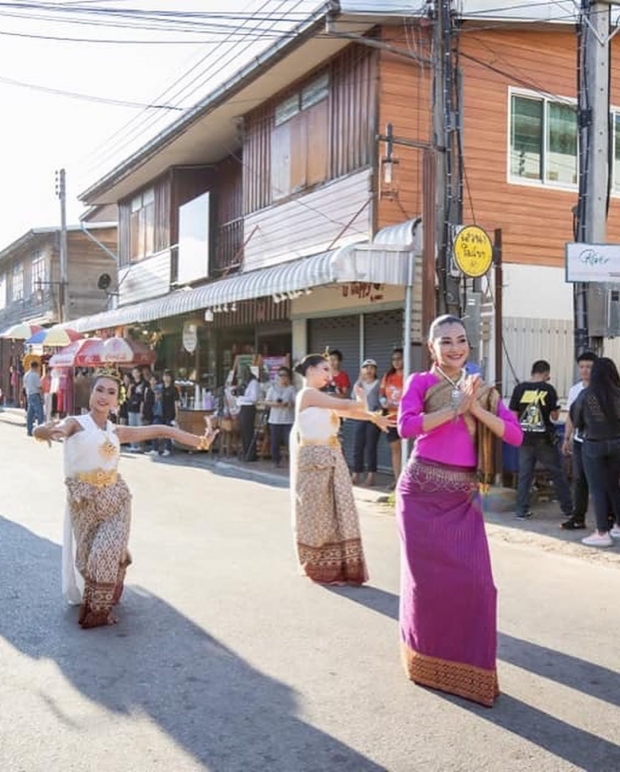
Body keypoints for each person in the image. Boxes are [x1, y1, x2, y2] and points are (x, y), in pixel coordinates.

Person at [396, 315, 522, 707]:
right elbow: (406, 427)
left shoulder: (483, 390)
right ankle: (426, 662)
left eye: (461, 340)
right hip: (420, 493)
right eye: (445, 341)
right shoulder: (420, 383)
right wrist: (452, 408)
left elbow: (514, 435)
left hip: (462, 497)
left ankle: (471, 671)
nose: (455, 347)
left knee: (479, 586)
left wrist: (474, 408)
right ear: (431, 347)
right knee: (427, 586)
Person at [33, 365, 218, 629]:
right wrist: (43, 431)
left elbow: (162, 430)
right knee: (88, 559)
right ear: (91, 392)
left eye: (111, 392)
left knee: (104, 552)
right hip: (83, 503)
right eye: (100, 389)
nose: (104, 396)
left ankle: (98, 611)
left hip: (116, 500)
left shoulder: (116, 431)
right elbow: (55, 429)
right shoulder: (76, 424)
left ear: (116, 398)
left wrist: (200, 441)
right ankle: (118, 564)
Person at [291, 354, 391, 585]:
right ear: (310, 371)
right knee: (318, 513)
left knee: (340, 512)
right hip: (315, 460)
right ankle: (318, 565)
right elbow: (347, 405)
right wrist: (361, 400)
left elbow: (348, 412)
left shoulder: (321, 398)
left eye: (330, 369)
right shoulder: (308, 394)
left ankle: (338, 566)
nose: (330, 374)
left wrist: (374, 418)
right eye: (325, 369)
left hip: (332, 458)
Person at [509, 360, 573, 520]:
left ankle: (521, 511)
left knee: (525, 475)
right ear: (546, 374)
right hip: (544, 439)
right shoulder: (549, 389)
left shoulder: (519, 389)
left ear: (533, 372)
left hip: (524, 439)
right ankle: (568, 509)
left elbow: (513, 416)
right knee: (557, 473)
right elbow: (555, 416)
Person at [572, 357, 620, 547]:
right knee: (615, 486)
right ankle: (618, 525)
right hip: (617, 444)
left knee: (598, 489)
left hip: (593, 445)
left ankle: (602, 532)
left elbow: (577, 421)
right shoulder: (618, 394)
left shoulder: (586, 395)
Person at [561, 351, 598, 530]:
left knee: (601, 481)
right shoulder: (575, 390)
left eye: (589, 367)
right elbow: (570, 416)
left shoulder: (602, 389)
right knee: (579, 480)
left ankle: (610, 518)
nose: (585, 370)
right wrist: (566, 438)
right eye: (582, 367)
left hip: (598, 442)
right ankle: (578, 517)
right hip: (579, 441)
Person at [351, 359, 382, 487]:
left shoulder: (380, 383)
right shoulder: (358, 384)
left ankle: (371, 476)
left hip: (374, 418)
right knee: (358, 446)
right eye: (366, 367)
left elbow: (383, 399)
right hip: (361, 417)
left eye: (372, 368)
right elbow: (353, 400)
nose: (369, 370)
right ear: (362, 370)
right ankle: (356, 474)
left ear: (375, 370)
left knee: (371, 447)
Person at [379, 347, 404, 484]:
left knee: (408, 449)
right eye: (394, 359)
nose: (396, 362)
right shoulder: (388, 376)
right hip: (391, 418)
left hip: (406, 417)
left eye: (399, 358)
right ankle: (397, 480)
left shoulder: (409, 375)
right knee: (395, 450)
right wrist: (383, 402)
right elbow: (381, 393)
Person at [265, 367, 296, 467]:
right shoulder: (272, 388)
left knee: (289, 441)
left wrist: (289, 404)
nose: (282, 378)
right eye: (280, 375)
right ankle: (275, 461)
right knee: (275, 442)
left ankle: (292, 461)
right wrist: (275, 404)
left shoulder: (291, 389)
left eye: (285, 375)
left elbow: (296, 401)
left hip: (288, 419)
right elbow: (267, 401)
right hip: (275, 420)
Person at [237, 366, 261, 462]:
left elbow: (254, 398)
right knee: (243, 431)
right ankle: (245, 451)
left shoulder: (253, 383)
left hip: (249, 408)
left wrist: (241, 398)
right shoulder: (245, 383)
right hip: (242, 407)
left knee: (248, 431)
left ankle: (251, 454)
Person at [158, 369, 180, 457]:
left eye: (168, 376)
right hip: (161, 412)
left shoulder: (174, 389)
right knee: (160, 431)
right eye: (164, 376)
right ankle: (160, 448)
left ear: (171, 378)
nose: (166, 378)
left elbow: (176, 402)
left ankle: (168, 448)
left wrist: (177, 415)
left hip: (170, 412)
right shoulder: (161, 387)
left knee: (168, 431)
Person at [126, 366, 147, 451]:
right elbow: (127, 396)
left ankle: (139, 446)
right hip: (131, 407)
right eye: (133, 372)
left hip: (139, 407)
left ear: (139, 373)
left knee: (139, 427)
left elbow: (144, 398)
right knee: (131, 426)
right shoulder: (132, 383)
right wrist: (130, 388)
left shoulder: (144, 383)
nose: (134, 374)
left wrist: (142, 411)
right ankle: (133, 445)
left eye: (136, 372)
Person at [23, 360, 44, 436]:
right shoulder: (35, 375)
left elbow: (24, 386)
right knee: (40, 413)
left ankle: (29, 430)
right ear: (36, 367)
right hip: (35, 394)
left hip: (29, 394)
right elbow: (39, 387)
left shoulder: (26, 375)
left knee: (30, 414)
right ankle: (40, 431)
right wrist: (42, 397)